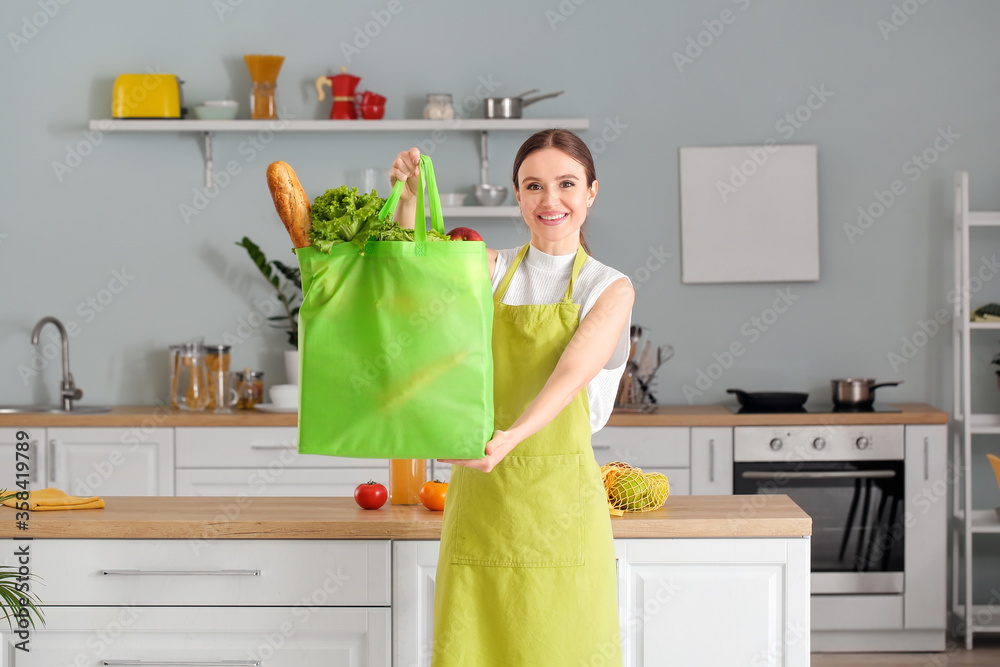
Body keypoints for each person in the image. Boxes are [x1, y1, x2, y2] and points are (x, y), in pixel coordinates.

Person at [389, 129, 634, 666]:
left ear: (591, 192)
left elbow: (572, 373)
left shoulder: (610, 288)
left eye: (566, 184)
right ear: (517, 196)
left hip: (562, 516)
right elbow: (412, 273)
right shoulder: (488, 269)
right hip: (482, 504)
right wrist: (408, 203)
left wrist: (509, 440)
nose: (551, 200)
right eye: (534, 186)